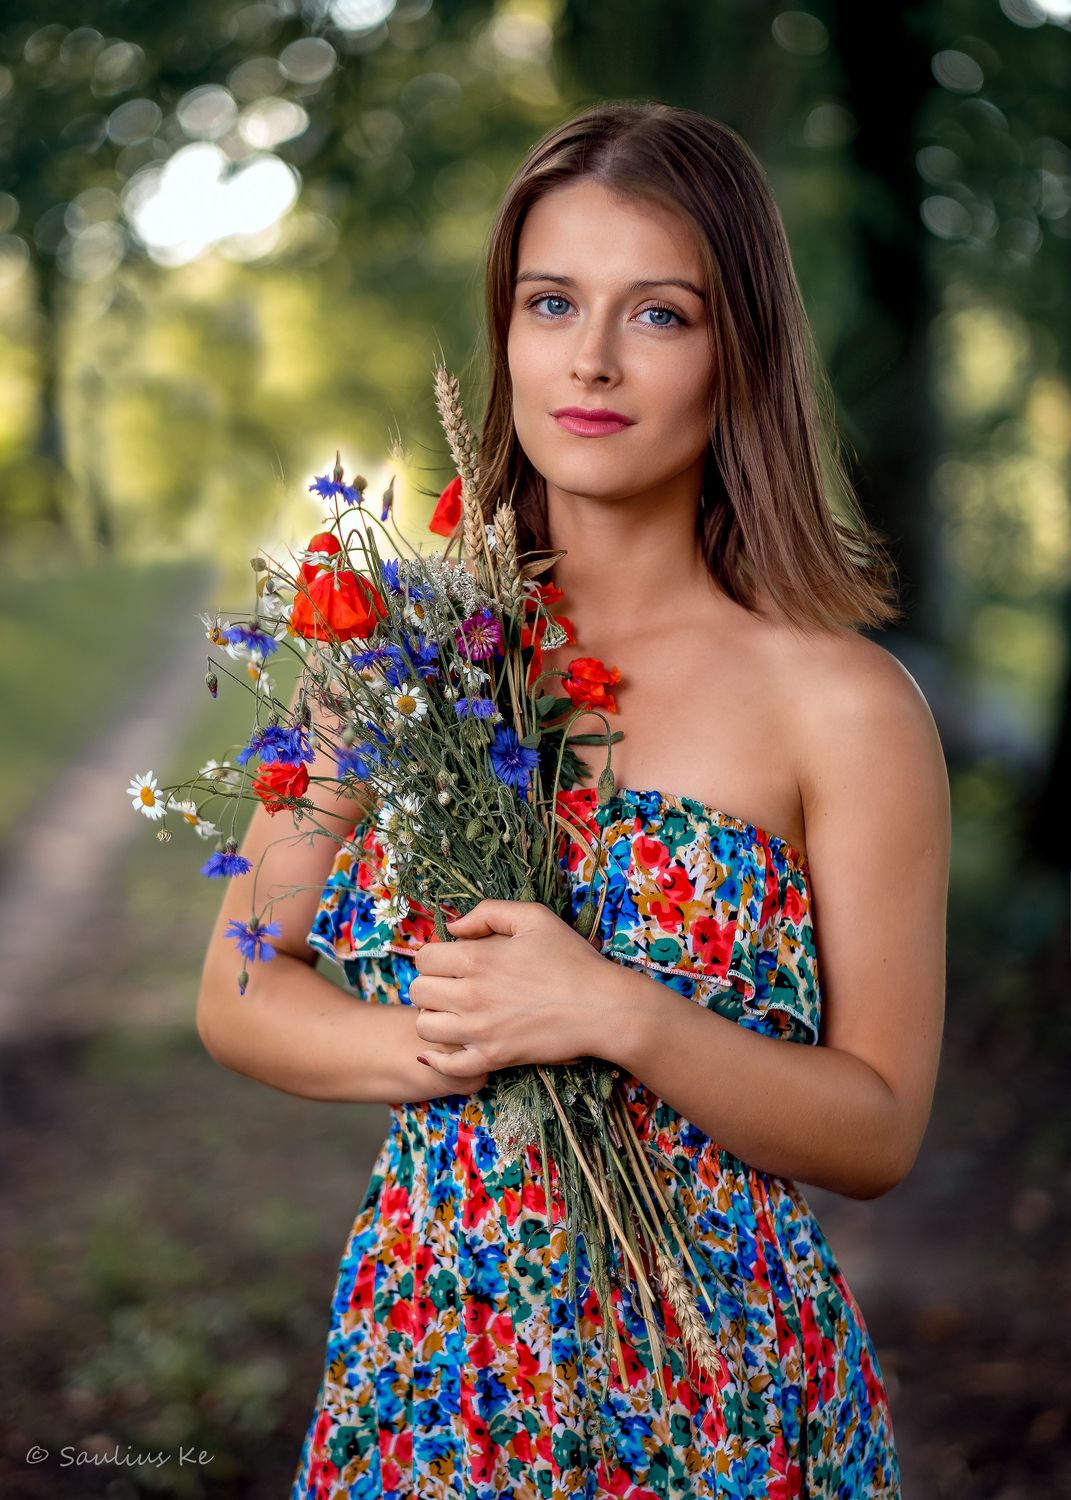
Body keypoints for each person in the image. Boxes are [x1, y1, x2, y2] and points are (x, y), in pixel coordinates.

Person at [196, 100, 949, 1498]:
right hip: (436, 1376)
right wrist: (460, 1045)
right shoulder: (390, 656)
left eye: (659, 314)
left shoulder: (843, 707)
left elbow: (882, 1126)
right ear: (509, 332)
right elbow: (239, 986)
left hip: (725, 1400)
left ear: (742, 354)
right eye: (553, 303)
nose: (591, 360)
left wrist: (615, 1013)